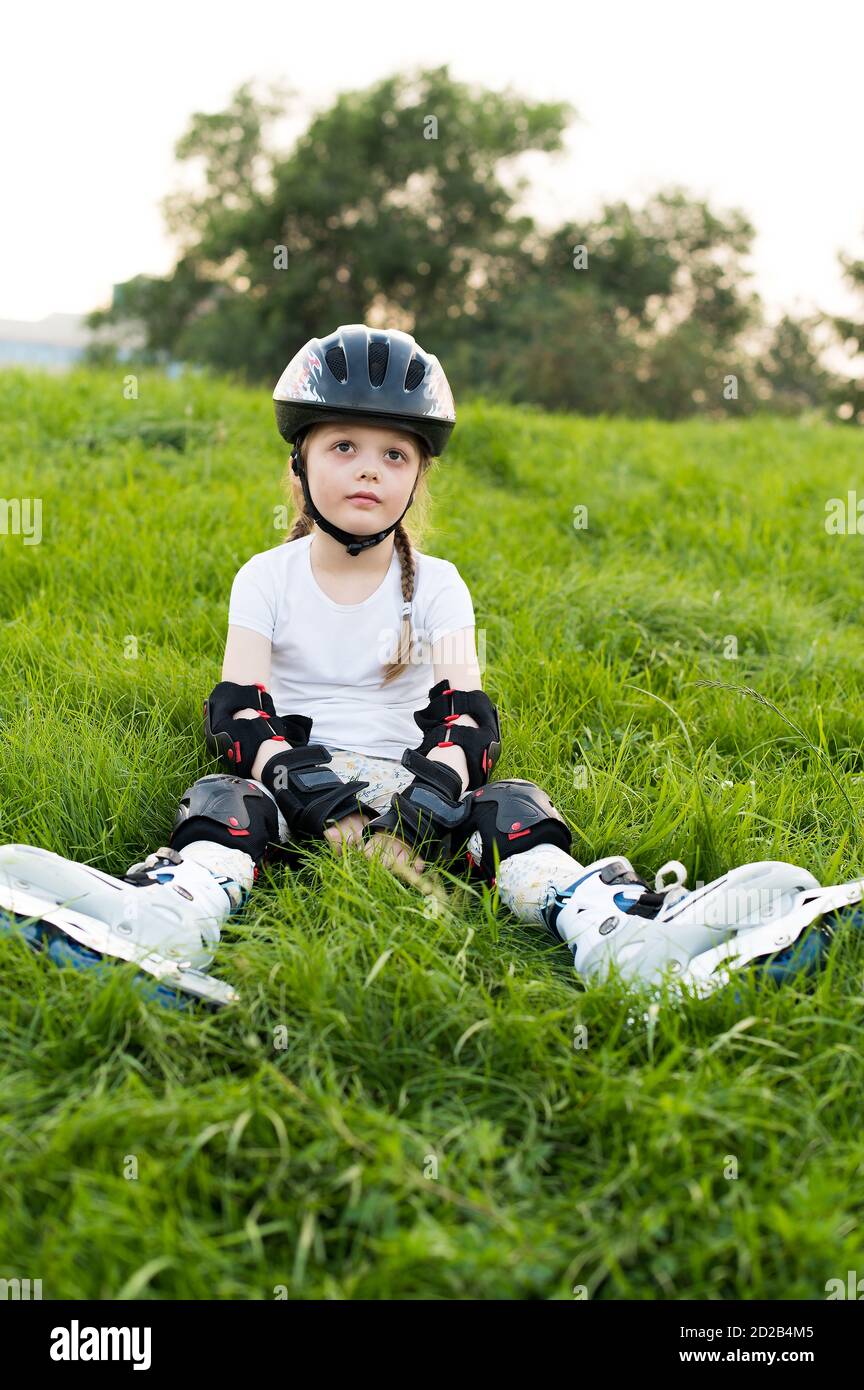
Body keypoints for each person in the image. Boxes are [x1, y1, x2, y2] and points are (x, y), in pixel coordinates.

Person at [1, 324, 861, 1008]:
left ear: (417, 477)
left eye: (394, 454)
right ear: (298, 464)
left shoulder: (439, 586)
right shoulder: (266, 576)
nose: (368, 469)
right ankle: (167, 920)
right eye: (343, 447)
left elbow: (468, 716)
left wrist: (432, 798)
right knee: (230, 802)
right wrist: (317, 801)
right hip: (295, 787)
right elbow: (236, 710)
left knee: (511, 809)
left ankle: (616, 935)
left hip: (415, 791)